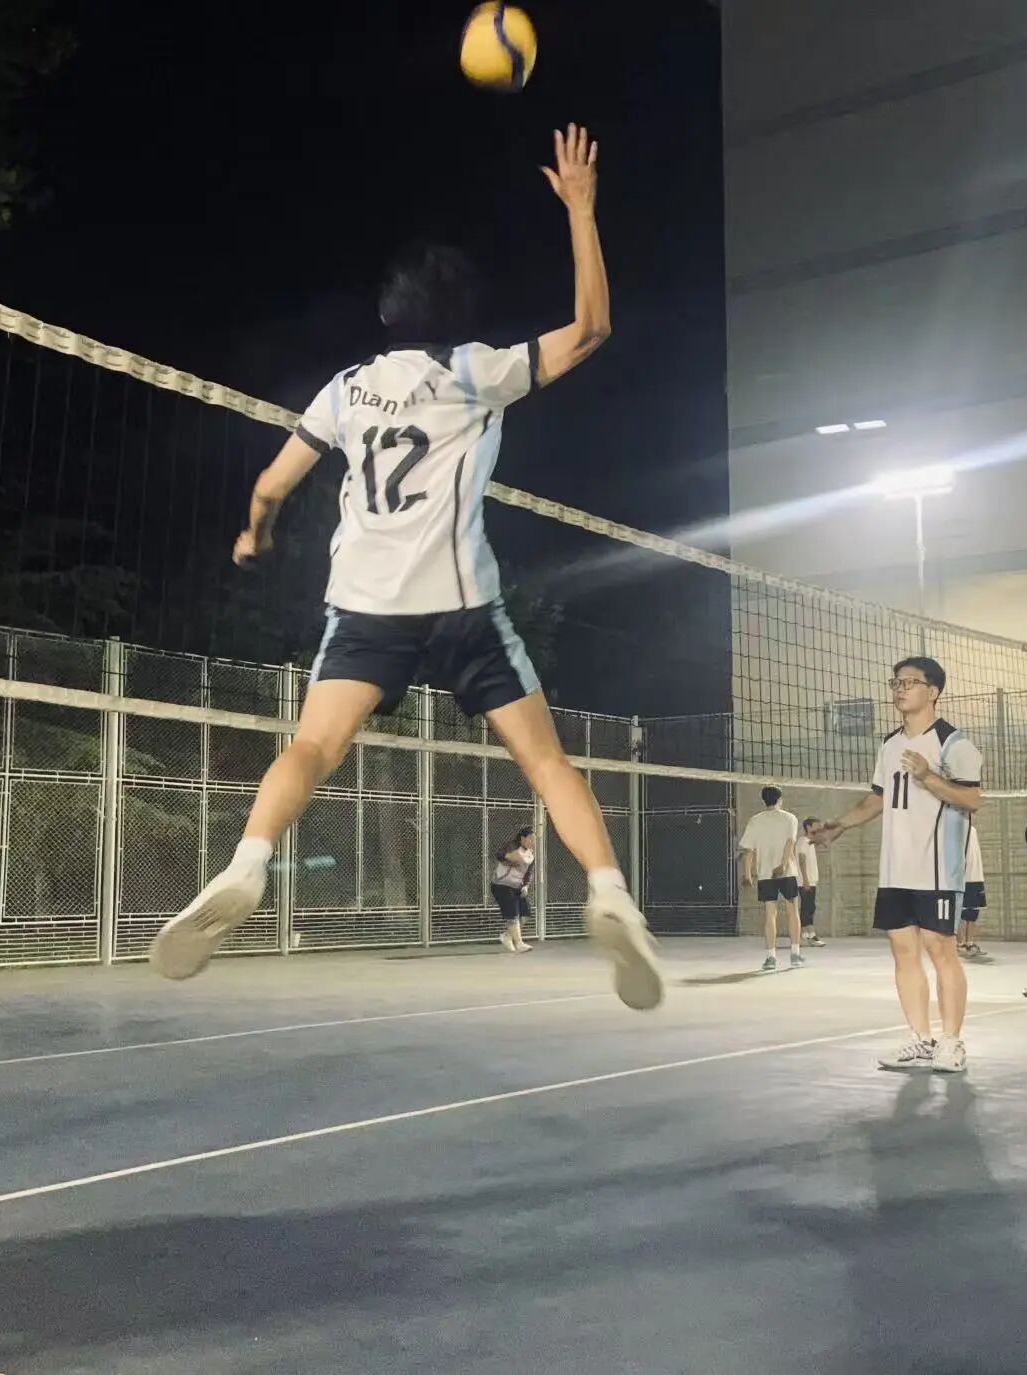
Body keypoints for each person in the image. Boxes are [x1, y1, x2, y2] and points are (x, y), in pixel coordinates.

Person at [149, 126, 663, 1012]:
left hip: (365, 604)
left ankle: (245, 864)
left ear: (388, 314)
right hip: (461, 602)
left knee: (311, 746)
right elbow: (593, 328)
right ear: (462, 314)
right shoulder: (475, 371)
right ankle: (611, 892)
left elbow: (270, 485)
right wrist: (580, 209)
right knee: (544, 761)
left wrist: (255, 536)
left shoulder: (346, 388)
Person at [815, 656, 983, 1073]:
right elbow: (878, 798)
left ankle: (951, 1042)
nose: (900, 689)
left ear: (933, 691)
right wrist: (841, 824)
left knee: (941, 949)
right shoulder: (889, 745)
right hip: (896, 868)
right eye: (896, 683)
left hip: (937, 867)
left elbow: (971, 799)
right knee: (903, 952)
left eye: (910, 682)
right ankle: (920, 1039)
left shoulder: (954, 743)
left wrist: (928, 776)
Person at [739, 786, 803, 971]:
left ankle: (771, 957)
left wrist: (747, 874)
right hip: (787, 872)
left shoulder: (755, 820)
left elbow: (749, 850)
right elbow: (790, 843)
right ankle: (795, 955)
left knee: (770, 914)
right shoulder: (790, 818)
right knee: (793, 911)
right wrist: (783, 865)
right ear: (780, 799)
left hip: (765, 873)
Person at [492, 826, 537, 953]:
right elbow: (499, 855)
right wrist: (509, 856)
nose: (533, 842)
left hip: (517, 886)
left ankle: (507, 936)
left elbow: (529, 872)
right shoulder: (512, 846)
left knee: (525, 913)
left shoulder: (530, 854)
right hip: (502, 885)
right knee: (513, 914)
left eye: (534, 839)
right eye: (530, 839)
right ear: (522, 838)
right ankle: (519, 943)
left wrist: (526, 885)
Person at [958, 824, 991, 961]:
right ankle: (960, 944)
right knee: (961, 912)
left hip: (976, 876)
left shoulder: (973, 830)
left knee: (973, 912)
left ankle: (970, 943)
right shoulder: (954, 829)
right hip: (961, 877)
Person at [796, 817, 826, 948]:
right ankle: (811, 936)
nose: (819, 828)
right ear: (808, 827)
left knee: (808, 907)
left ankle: (804, 936)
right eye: (816, 826)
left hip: (810, 881)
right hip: (805, 881)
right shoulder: (803, 841)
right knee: (808, 908)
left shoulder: (809, 842)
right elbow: (801, 859)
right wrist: (805, 879)